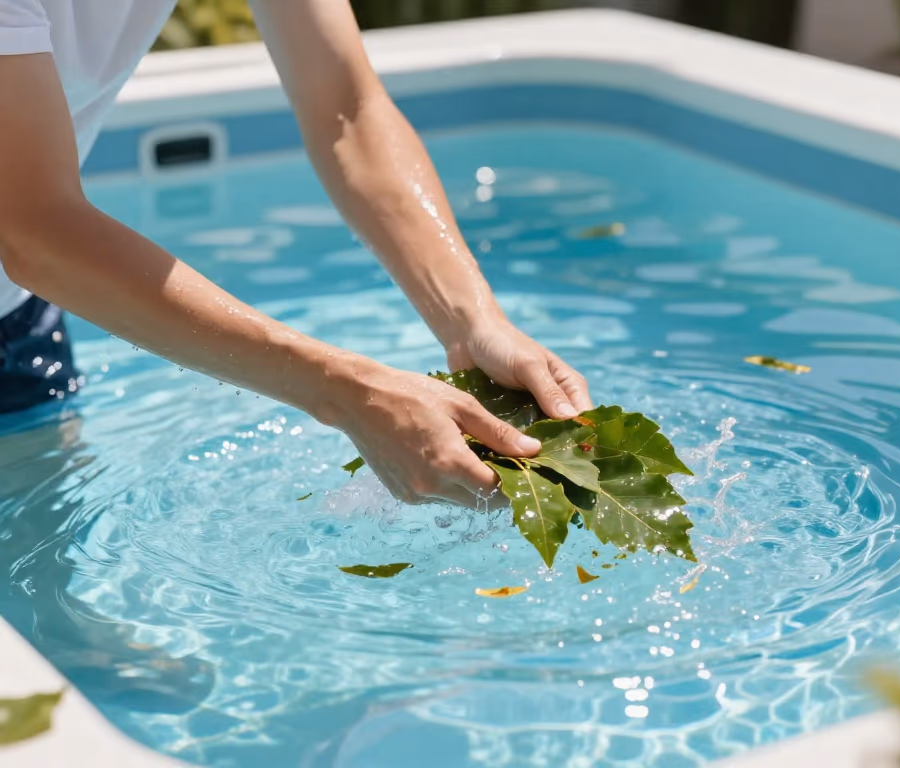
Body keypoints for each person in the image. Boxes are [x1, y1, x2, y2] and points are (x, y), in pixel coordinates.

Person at [0, 1, 592, 506]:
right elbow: (35, 230)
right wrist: (349, 391)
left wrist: (473, 321)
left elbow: (345, 107)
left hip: (20, 316)